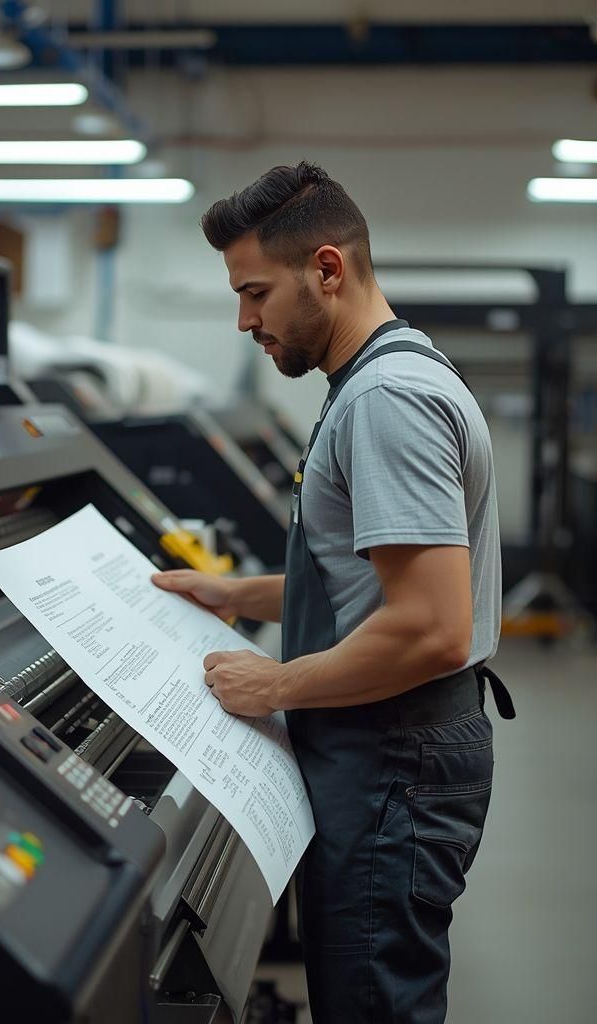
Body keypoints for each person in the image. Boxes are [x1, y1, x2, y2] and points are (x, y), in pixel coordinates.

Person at [152, 161, 514, 1023]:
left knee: (372, 1005)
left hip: (394, 757)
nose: (245, 321)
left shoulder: (386, 399)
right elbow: (367, 577)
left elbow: (429, 627)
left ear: (326, 269)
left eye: (255, 293)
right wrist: (239, 595)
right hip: (396, 743)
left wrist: (271, 686)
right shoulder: (386, 372)